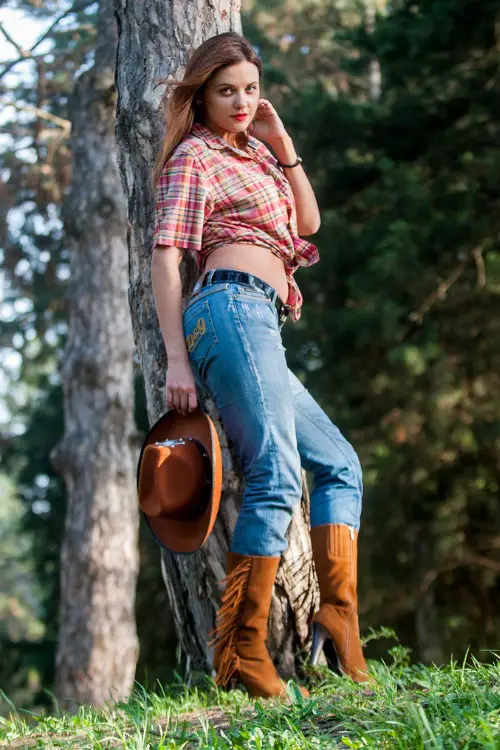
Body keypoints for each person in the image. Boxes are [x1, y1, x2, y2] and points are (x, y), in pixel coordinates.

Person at [150, 31, 370, 699]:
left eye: (250, 88)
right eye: (226, 91)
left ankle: (338, 618)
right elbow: (165, 258)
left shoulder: (257, 155)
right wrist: (175, 360)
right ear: (202, 96)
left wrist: (283, 146)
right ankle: (240, 652)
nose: (241, 101)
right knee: (274, 472)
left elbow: (308, 224)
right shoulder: (195, 157)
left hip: (261, 323)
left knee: (339, 464)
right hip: (226, 312)